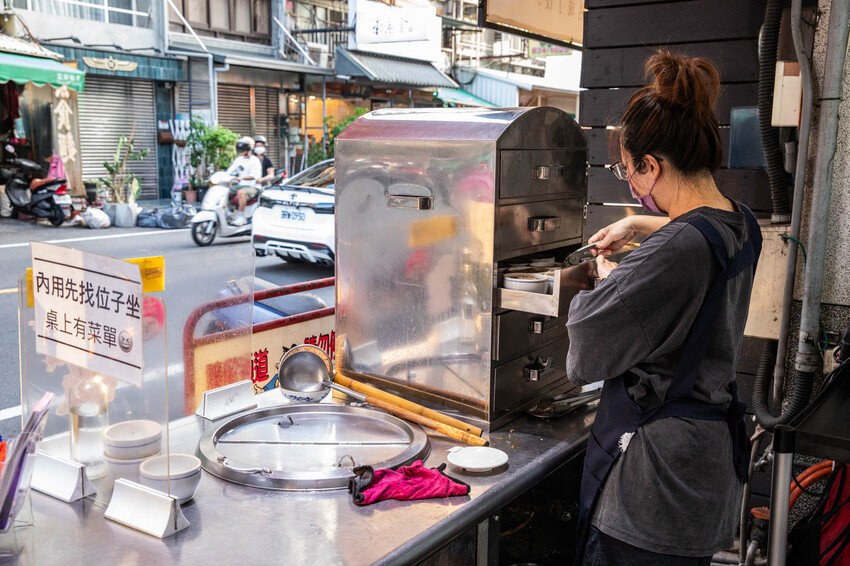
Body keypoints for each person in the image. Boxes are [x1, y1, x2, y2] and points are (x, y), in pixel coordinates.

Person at [567, 50, 762, 565]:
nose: (630, 183)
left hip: (653, 488)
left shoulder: (674, 252)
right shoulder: (743, 223)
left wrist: (609, 281)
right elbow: (699, 230)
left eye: (627, 171)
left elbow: (584, 350)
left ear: (651, 166)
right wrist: (634, 223)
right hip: (708, 470)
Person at [226, 136, 262, 225]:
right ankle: (228, 213)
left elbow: (254, 176)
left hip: (253, 186)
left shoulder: (255, 160)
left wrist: (241, 178)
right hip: (241, 184)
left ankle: (241, 217)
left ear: (249, 148)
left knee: (241, 192)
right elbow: (230, 171)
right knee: (224, 191)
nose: (241, 151)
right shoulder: (239, 160)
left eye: (243, 149)